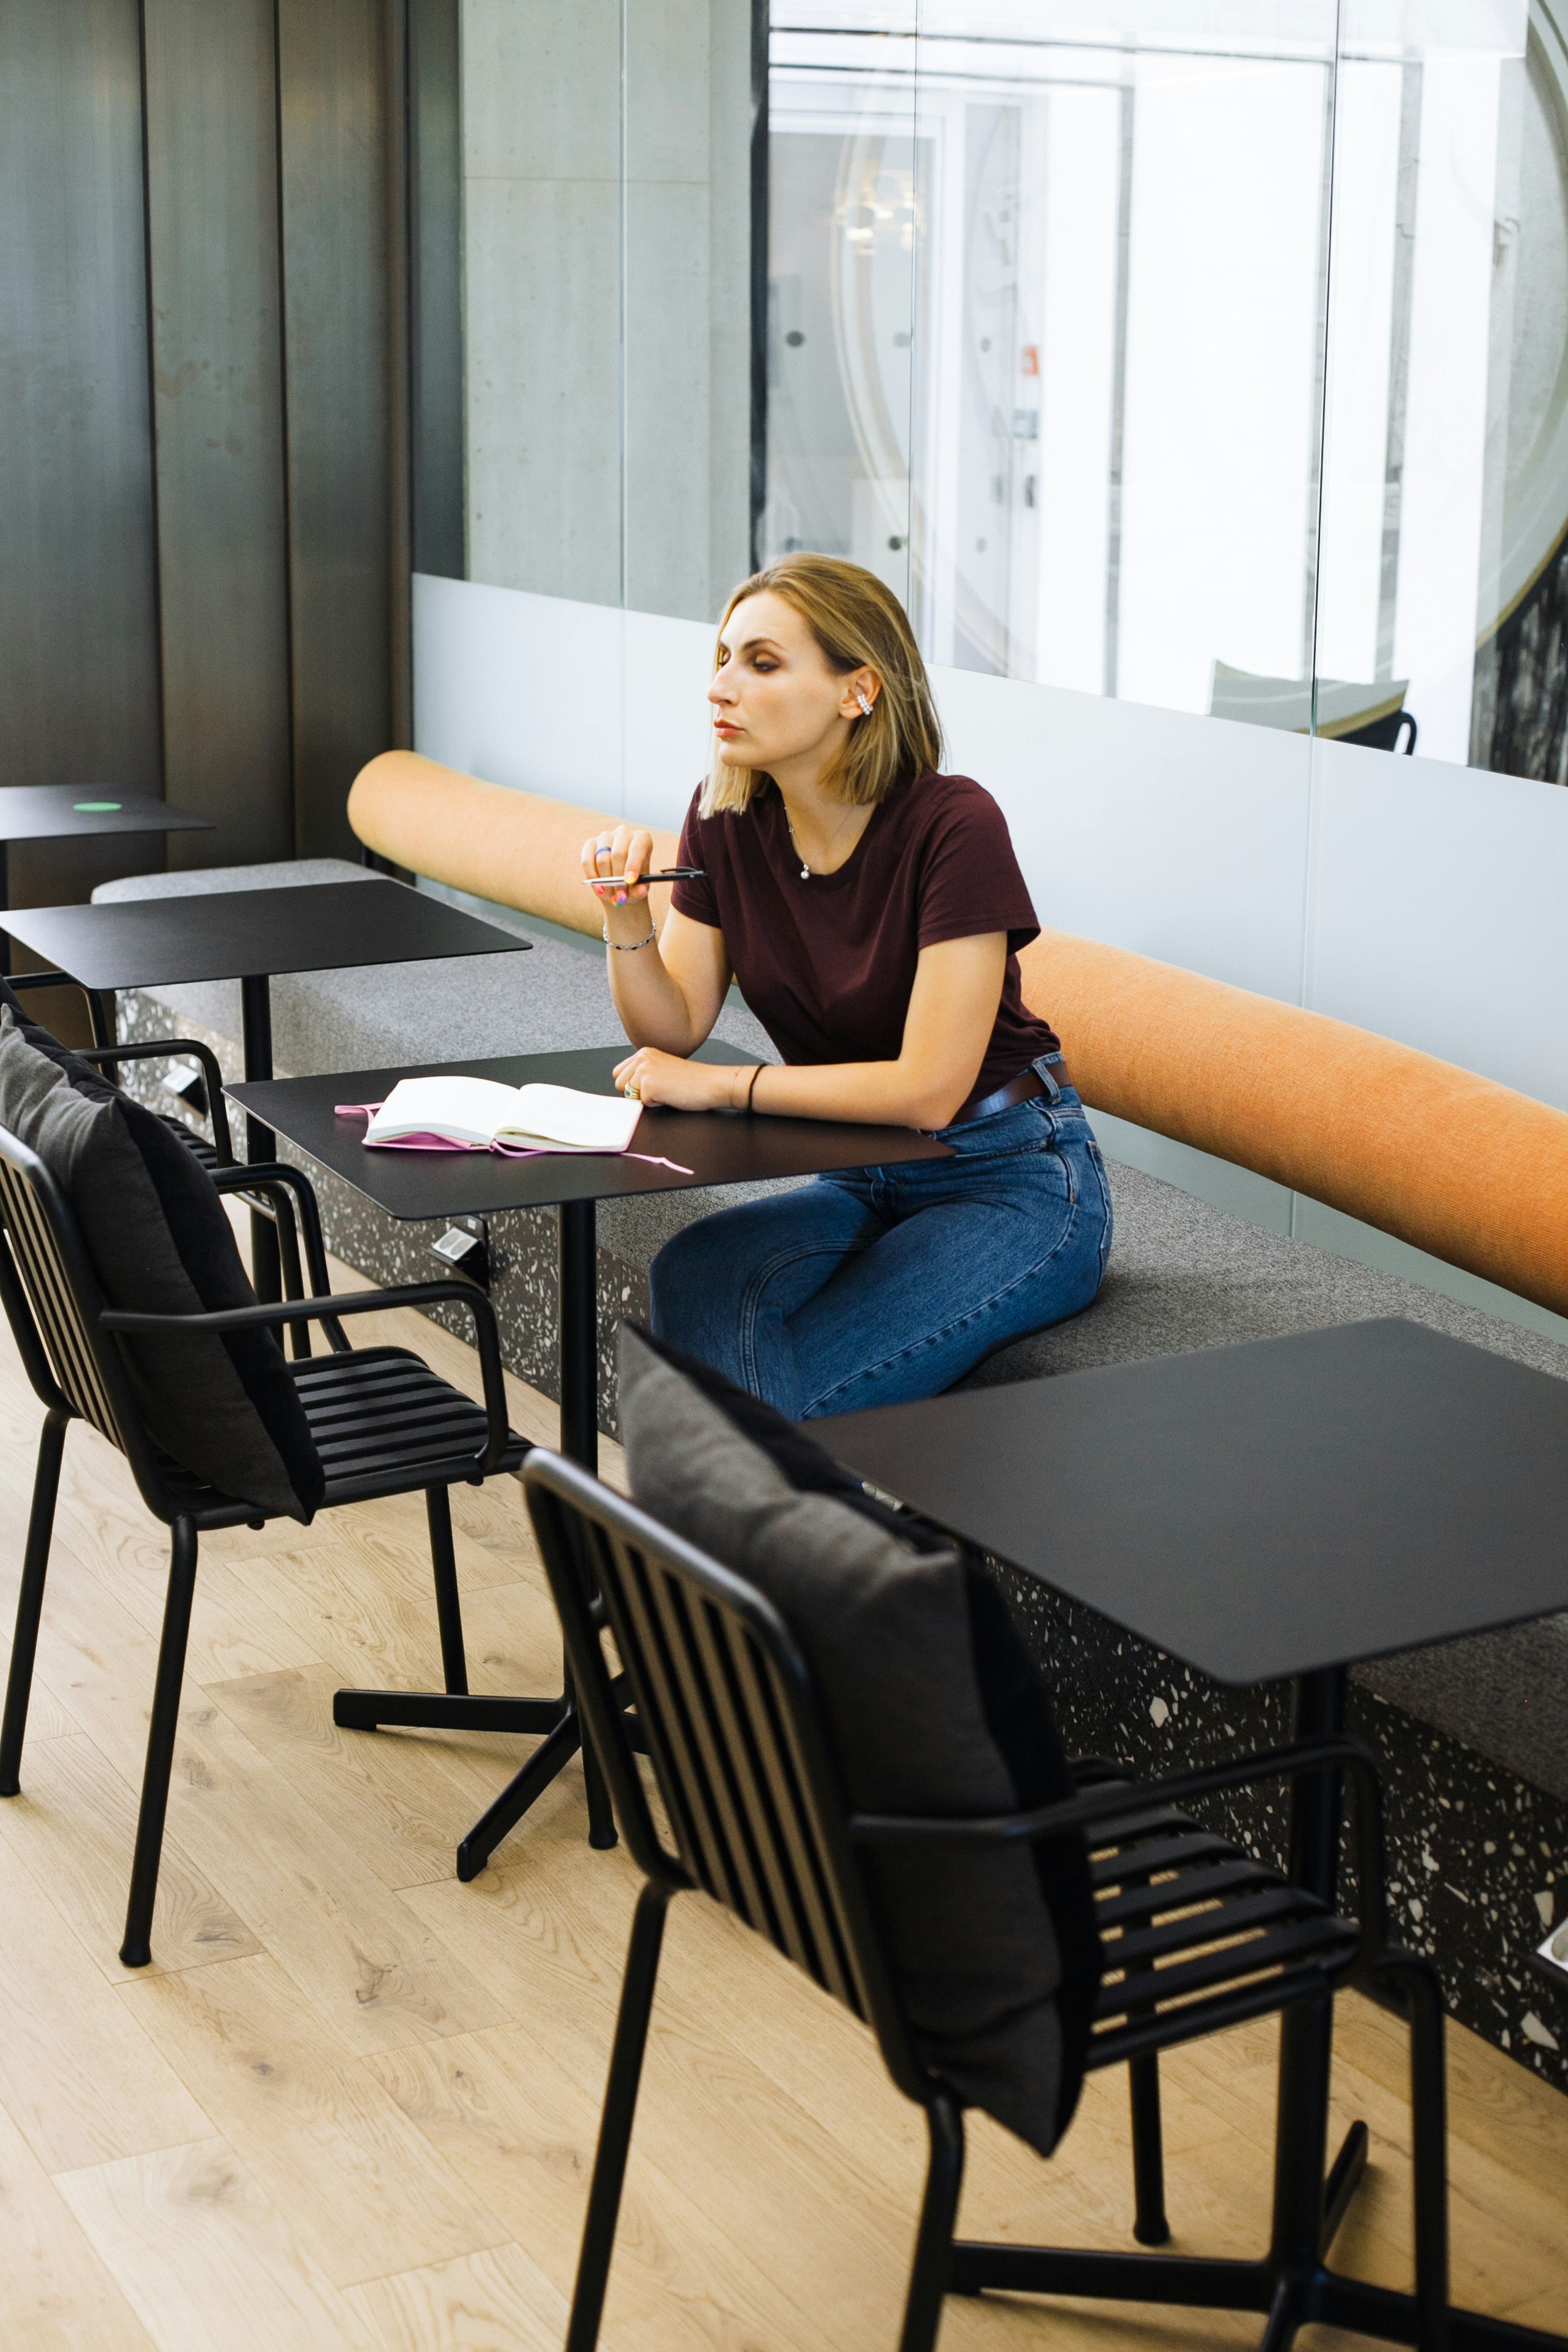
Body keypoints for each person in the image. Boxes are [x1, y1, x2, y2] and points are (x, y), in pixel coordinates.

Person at [581, 553, 1112, 1419]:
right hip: (862, 1170)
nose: (720, 687)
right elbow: (671, 1028)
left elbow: (929, 1090)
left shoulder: (955, 824)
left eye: (762, 664)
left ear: (858, 690)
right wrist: (624, 914)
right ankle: (750, 1500)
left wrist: (727, 1086)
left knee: (792, 1405)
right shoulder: (724, 818)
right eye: (723, 658)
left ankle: (741, 1496)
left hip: (1007, 1173)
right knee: (696, 1269)